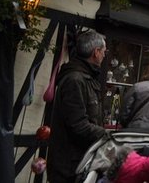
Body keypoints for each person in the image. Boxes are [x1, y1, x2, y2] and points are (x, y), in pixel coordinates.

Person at [47, 30, 108, 183]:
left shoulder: (86, 77)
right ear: (96, 52)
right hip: (69, 166)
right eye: (103, 52)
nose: (104, 55)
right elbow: (78, 125)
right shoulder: (75, 79)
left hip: (80, 161)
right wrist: (107, 135)